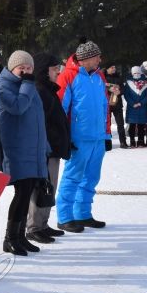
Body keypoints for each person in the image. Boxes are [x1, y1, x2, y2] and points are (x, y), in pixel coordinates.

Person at [0, 50, 49, 255]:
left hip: (31, 148)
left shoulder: (27, 86)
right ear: (12, 68)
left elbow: (37, 119)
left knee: (27, 192)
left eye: (29, 69)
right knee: (22, 192)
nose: (26, 72)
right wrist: (27, 83)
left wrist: (44, 146)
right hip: (15, 148)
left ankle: (20, 236)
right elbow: (18, 107)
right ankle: (10, 238)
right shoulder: (3, 86)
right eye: (21, 68)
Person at [55, 38, 110, 232]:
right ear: (86, 58)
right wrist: (65, 138)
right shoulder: (67, 76)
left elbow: (104, 106)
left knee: (91, 177)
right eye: (96, 56)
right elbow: (61, 110)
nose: (99, 60)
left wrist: (107, 134)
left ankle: (83, 214)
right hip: (78, 138)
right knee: (73, 177)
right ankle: (64, 217)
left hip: (97, 137)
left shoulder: (99, 76)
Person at [26, 52, 70, 243]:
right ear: (44, 71)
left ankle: (43, 224)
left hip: (53, 148)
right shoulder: (40, 90)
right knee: (41, 188)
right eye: (54, 69)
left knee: (50, 187)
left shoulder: (49, 89)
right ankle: (34, 226)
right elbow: (40, 123)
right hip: (45, 149)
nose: (58, 72)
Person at [123, 65, 147, 147]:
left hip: (142, 107)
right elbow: (126, 95)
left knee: (141, 125)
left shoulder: (146, 83)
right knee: (132, 124)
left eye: (138, 72)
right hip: (132, 107)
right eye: (135, 72)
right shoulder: (128, 83)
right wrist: (132, 103)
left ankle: (141, 141)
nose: (136, 74)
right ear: (132, 73)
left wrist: (141, 103)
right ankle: (132, 141)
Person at [104, 64, 128, 148]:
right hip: (107, 104)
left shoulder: (118, 77)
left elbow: (123, 88)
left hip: (117, 103)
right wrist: (108, 89)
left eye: (114, 67)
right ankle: (107, 142)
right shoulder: (102, 77)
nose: (114, 69)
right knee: (107, 124)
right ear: (107, 69)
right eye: (111, 67)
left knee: (120, 124)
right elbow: (99, 88)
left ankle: (123, 142)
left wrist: (120, 91)